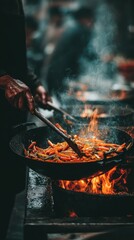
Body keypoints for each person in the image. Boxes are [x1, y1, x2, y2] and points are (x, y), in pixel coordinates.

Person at [0, 1, 50, 239]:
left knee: (7, 191)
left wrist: (34, 81)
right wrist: (4, 79)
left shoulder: (15, 4)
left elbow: (14, 57)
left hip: (10, 120)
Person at [45, 6, 97, 97]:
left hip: (54, 72)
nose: (92, 23)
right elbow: (87, 53)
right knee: (63, 102)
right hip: (60, 74)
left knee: (60, 100)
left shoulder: (73, 28)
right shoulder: (80, 30)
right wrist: (100, 60)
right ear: (84, 19)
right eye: (90, 19)